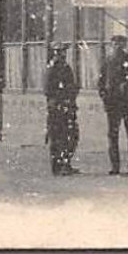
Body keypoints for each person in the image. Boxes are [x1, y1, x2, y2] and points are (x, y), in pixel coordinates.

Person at [98, 33, 128, 175]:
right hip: (113, 104)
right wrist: (104, 97)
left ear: (124, 45)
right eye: (114, 44)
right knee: (113, 135)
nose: (117, 47)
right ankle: (115, 166)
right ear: (111, 46)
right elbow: (101, 83)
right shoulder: (107, 62)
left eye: (120, 44)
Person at [44, 43, 80, 176]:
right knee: (57, 137)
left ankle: (66, 163)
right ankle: (57, 166)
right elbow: (48, 90)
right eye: (59, 52)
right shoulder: (52, 69)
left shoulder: (66, 67)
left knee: (71, 136)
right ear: (54, 53)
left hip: (68, 106)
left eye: (63, 52)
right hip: (57, 108)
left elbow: (71, 85)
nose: (62, 55)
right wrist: (63, 96)